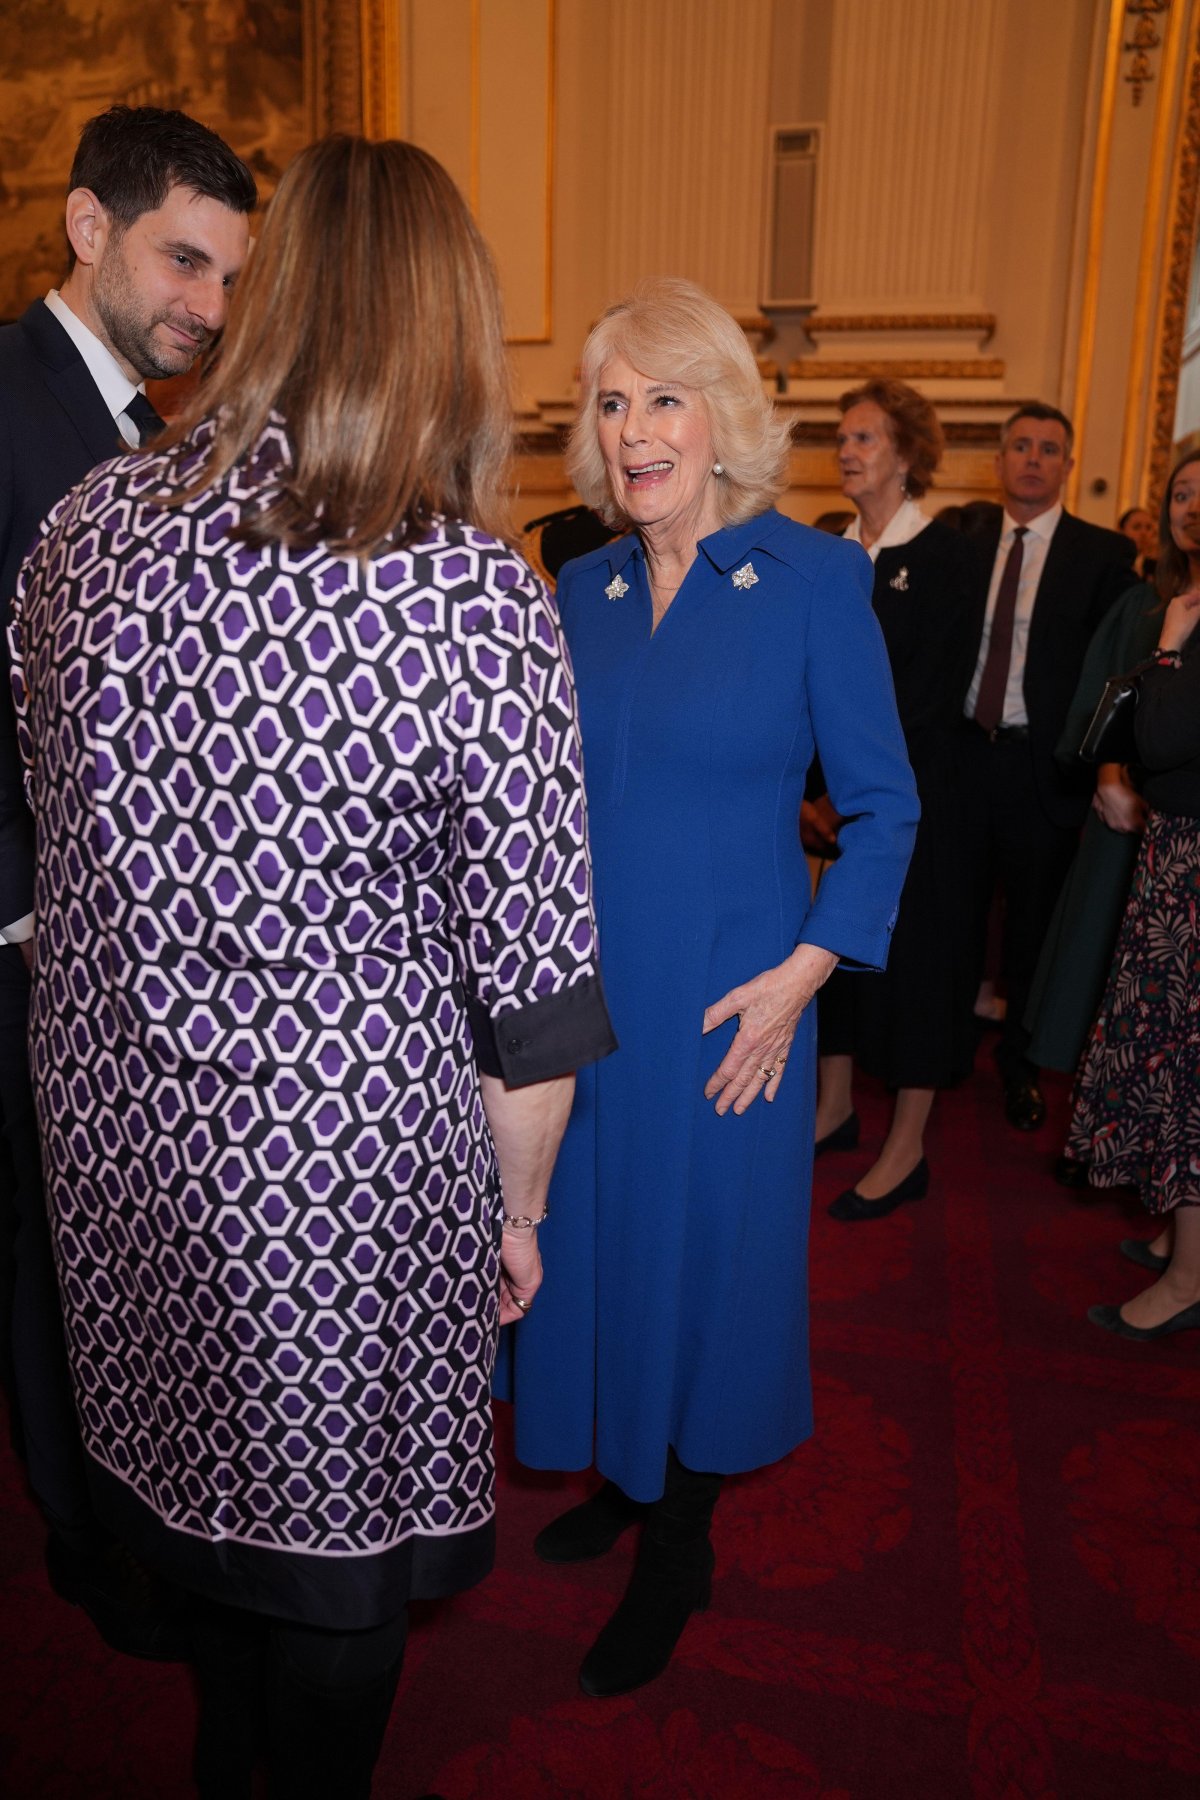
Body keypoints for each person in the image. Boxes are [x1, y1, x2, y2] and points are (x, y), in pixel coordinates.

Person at [9, 135, 615, 1798]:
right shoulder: (465, 596)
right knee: (339, 1568)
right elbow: (537, 996)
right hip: (333, 1186)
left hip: (119, 1141)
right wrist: (521, 1212)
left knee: (194, 1515)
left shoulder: (82, 532)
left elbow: (62, 816)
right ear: (449, 327)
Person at [497, 277, 918, 1697]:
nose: (634, 432)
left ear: (725, 417)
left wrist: (804, 980)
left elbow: (884, 810)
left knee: (705, 1275)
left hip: (736, 1011)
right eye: (611, 404)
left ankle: (681, 1540)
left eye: (664, 398)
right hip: (589, 1007)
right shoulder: (579, 589)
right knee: (605, 1246)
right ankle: (621, 1475)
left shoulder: (811, 581)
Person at [0, 103, 255, 1660]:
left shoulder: (145, 438)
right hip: (26, 927)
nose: (209, 310)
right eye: (184, 261)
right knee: (44, 1247)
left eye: (229, 279)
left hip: (108, 941)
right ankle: (90, 1540)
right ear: (89, 228)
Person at [813, 381, 979, 1219]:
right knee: (835, 954)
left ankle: (906, 1147)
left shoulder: (946, 556)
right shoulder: (825, 548)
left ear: (907, 455)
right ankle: (833, 1107)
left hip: (921, 795)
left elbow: (927, 695)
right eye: (842, 438)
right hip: (844, 801)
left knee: (918, 967)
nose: (846, 451)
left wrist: (858, 784)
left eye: (865, 439)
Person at [958, 403, 1134, 1130]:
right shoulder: (960, 543)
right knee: (955, 916)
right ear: (999, 461)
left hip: (1046, 773)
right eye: (1021, 446)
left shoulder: (1102, 558)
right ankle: (942, 1046)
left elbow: (1117, 677)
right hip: (965, 761)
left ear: (1067, 465)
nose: (1033, 459)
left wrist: (1106, 770)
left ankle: (1020, 1064)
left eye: (1049, 449)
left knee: (1032, 928)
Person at [1066, 456, 1200, 1340]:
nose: (1191, 507)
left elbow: (1162, 735)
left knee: (1186, 1068)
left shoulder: (1184, 614)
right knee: (1171, 1054)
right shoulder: (1183, 598)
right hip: (1178, 854)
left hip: (1194, 862)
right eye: (1183, 491)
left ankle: (1189, 1279)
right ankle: (1184, 1239)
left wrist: (1168, 647)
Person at [1118, 503, 1158, 581]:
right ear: (1121, 531)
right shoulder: (1113, 564)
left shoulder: (1157, 568)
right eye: (1136, 527)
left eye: (1148, 528)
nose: (1144, 533)